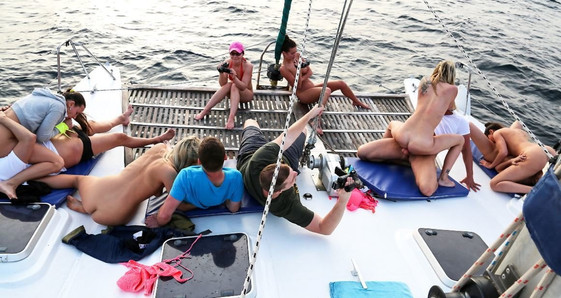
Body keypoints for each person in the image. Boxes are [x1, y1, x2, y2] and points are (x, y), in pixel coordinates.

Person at [236, 105, 355, 235]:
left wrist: (310, 114)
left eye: (288, 169)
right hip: (266, 157)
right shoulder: (284, 205)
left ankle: (265, 138)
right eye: (292, 178)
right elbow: (324, 228)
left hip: (251, 154)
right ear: (280, 191)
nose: (295, 172)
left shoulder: (259, 160)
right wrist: (343, 200)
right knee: (302, 131)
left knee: (251, 123)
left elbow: (288, 136)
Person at [37, 136, 201, 226]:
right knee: (136, 200)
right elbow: (179, 205)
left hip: (98, 191)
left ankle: (36, 178)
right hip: (114, 216)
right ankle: (86, 208)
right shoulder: (170, 174)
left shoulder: (159, 148)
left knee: (78, 180)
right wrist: (206, 202)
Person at [384, 60, 464, 187]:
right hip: (422, 144)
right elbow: (450, 108)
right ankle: (443, 178)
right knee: (460, 140)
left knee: (393, 123)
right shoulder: (453, 89)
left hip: (403, 135)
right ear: (452, 75)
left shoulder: (424, 81)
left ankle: (387, 155)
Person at [0, 88, 86, 199]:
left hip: (6, 133)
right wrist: (63, 127)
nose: (74, 117)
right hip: (5, 142)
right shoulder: (59, 107)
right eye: (77, 113)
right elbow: (42, 137)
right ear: (71, 104)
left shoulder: (44, 96)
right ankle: (11, 183)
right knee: (57, 163)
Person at [145, 136, 243, 228]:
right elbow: (233, 209)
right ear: (225, 158)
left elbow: (164, 216)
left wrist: (158, 221)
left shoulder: (186, 175)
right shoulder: (236, 177)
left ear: (199, 161)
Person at [279, 35, 370, 132]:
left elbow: (310, 71)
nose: (295, 54)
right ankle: (316, 120)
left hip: (312, 88)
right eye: (292, 53)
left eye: (295, 51)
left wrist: (302, 73)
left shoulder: (297, 56)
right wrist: (299, 70)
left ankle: (356, 101)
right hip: (303, 95)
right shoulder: (284, 68)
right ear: (284, 53)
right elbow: (299, 85)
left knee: (340, 83)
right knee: (326, 91)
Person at [471, 122, 556, 194]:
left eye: (489, 139)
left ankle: (536, 191)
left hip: (533, 154)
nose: (492, 142)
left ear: (491, 132)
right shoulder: (515, 131)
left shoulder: (497, 133)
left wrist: (491, 165)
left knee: (494, 184)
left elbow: (503, 152)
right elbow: (518, 122)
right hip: (547, 150)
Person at [194, 42, 254, 130]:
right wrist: (221, 73)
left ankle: (231, 118)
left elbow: (243, 86)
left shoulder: (248, 66)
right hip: (234, 93)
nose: (235, 56)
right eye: (232, 54)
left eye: (237, 54)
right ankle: (206, 110)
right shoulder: (228, 63)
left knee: (234, 85)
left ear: (242, 54)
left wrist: (234, 77)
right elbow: (223, 84)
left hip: (246, 94)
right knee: (230, 85)